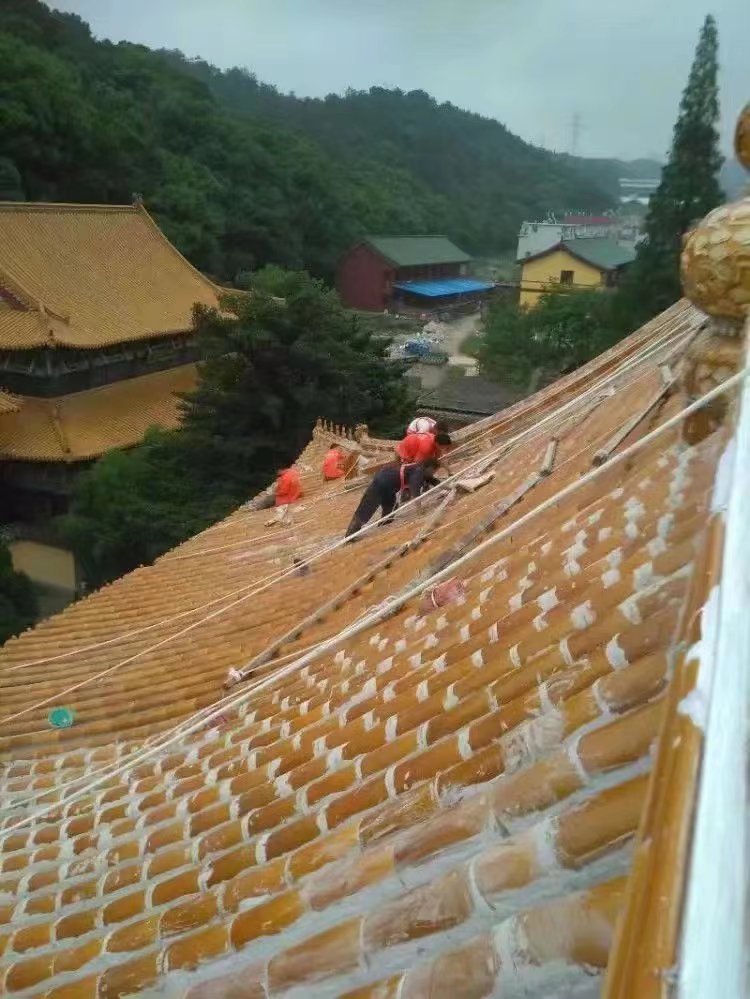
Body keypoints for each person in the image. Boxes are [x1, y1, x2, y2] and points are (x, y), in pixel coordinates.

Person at [345, 459, 440, 538]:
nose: (433, 473)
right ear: (429, 468)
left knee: (389, 506)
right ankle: (350, 536)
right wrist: (420, 510)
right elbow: (415, 492)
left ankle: (383, 526)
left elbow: (434, 481)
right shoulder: (418, 473)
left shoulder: (420, 469)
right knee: (367, 508)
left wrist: (449, 486)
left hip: (386, 482)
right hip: (383, 483)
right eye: (433, 471)